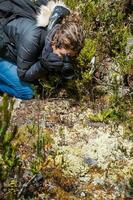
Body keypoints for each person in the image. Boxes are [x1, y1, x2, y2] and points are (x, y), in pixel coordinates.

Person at [0, 0, 85, 100]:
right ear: (54, 43)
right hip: (2, 50)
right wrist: (43, 65)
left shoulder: (57, 31)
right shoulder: (33, 38)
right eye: (63, 55)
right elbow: (23, 74)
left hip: (18, 48)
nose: (64, 59)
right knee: (27, 92)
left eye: (70, 56)